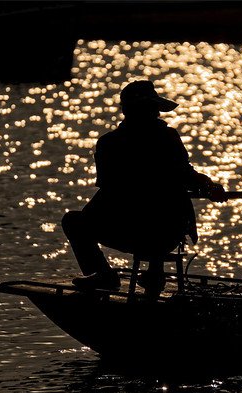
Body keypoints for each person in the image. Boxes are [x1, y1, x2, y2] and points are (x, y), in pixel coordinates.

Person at [62, 80, 226, 297]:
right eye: (153, 108)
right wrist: (209, 186)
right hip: (155, 231)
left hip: (151, 231)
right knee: (147, 211)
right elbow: (185, 175)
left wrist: (208, 186)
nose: (158, 114)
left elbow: (108, 192)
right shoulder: (160, 138)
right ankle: (144, 273)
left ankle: (121, 273)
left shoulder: (109, 143)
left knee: (75, 221)